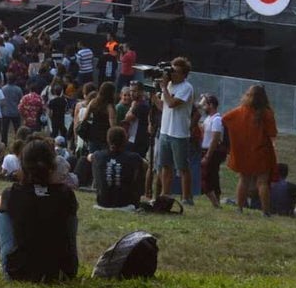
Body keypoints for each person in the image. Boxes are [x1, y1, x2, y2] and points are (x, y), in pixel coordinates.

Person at [0, 138, 78, 283]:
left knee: (2, 214)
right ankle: (68, 258)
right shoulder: (65, 194)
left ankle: (6, 262)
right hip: (60, 272)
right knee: (70, 213)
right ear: (52, 165)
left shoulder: (13, 193)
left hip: (20, 272)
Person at [222, 84, 277, 214]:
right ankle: (266, 212)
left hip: (244, 152)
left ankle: (240, 208)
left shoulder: (240, 111)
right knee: (262, 182)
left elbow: (225, 119)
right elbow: (272, 133)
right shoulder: (267, 113)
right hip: (261, 152)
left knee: (243, 180)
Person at [154, 57, 195, 204]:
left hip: (179, 133)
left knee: (182, 167)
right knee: (165, 165)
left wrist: (163, 88)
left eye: (176, 72)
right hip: (165, 130)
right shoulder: (169, 85)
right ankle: (165, 193)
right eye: (172, 70)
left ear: (184, 74)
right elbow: (162, 106)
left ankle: (186, 197)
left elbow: (172, 104)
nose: (173, 74)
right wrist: (154, 93)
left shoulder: (186, 87)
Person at [87, 126, 144, 209]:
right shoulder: (133, 158)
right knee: (140, 167)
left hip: (103, 202)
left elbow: (89, 157)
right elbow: (145, 163)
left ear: (108, 140)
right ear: (125, 140)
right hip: (125, 203)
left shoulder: (98, 155)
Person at [198, 93, 226, 209]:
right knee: (212, 176)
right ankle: (216, 201)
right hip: (205, 149)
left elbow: (215, 138)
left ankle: (215, 202)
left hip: (212, 151)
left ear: (211, 105)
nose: (203, 107)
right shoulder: (208, 119)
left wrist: (208, 155)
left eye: (205, 104)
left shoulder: (217, 120)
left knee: (205, 177)